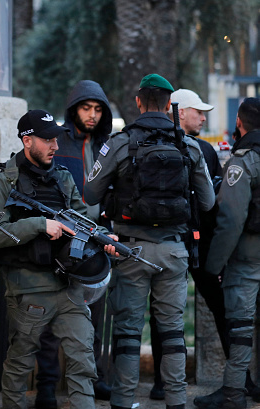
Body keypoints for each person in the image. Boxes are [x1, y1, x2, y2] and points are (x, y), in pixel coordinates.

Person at [83, 74, 215, 409]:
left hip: (130, 251)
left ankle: (124, 402)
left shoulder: (120, 142)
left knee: (127, 333)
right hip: (174, 250)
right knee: (172, 333)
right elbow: (209, 201)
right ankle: (176, 402)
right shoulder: (188, 145)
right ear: (170, 105)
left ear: (139, 102)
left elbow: (90, 193)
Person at [0, 109, 118, 409]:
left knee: (83, 362)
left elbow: (81, 218)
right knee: (19, 365)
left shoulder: (61, 177)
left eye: (56, 139)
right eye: (47, 140)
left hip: (67, 287)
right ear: (27, 140)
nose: (55, 146)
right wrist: (40, 225)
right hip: (28, 288)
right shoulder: (3, 181)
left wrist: (104, 238)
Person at [34, 80, 113, 407]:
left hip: (98, 240)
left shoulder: (109, 144)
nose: (91, 115)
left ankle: (90, 381)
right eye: (85, 108)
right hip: (59, 239)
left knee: (91, 317)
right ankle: (47, 387)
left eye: (97, 109)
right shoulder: (57, 141)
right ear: (74, 108)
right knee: (51, 319)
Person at [148, 88, 226, 400]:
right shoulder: (199, 150)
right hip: (190, 243)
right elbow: (213, 203)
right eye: (198, 111)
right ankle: (240, 379)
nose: (203, 117)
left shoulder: (199, 149)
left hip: (182, 242)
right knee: (168, 311)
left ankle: (160, 382)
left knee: (162, 313)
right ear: (180, 112)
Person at [193, 97, 260, 409]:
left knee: (241, 326)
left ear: (239, 123)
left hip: (246, 256)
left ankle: (234, 393)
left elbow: (231, 220)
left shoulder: (243, 161)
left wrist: (213, 265)